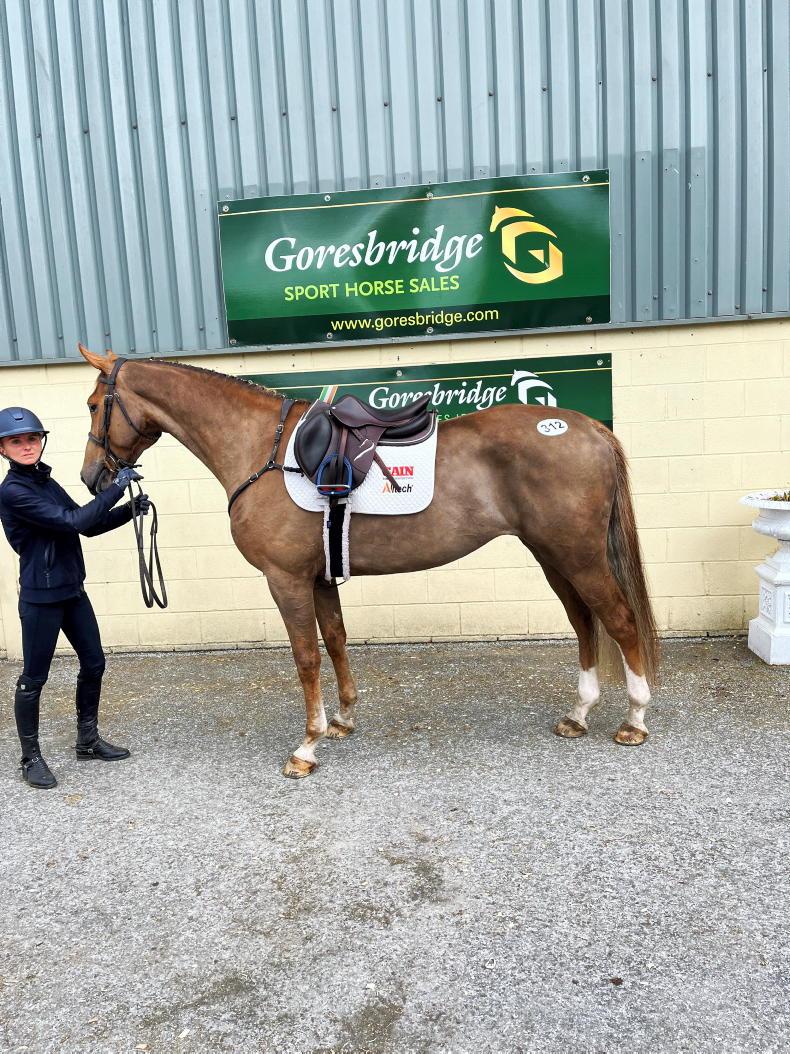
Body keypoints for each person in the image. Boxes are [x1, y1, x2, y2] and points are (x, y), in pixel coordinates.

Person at [0, 406, 150, 789]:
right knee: (33, 679)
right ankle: (30, 758)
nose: (26, 446)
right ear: (3, 449)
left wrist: (129, 510)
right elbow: (73, 521)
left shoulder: (45, 483)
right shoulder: (14, 491)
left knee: (95, 663)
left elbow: (87, 525)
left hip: (71, 591)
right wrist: (117, 486)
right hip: (41, 599)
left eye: (32, 438)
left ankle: (88, 741)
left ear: (41, 441)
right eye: (16, 441)